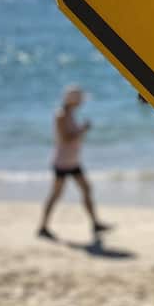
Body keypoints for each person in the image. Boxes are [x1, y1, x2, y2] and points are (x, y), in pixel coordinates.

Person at [37, 85, 111, 240]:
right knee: (56, 194)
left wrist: (81, 131)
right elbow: (65, 137)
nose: (82, 102)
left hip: (73, 161)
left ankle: (95, 223)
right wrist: (82, 130)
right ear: (73, 100)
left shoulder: (70, 113)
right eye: (80, 99)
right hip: (63, 162)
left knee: (86, 189)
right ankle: (43, 227)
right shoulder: (61, 115)